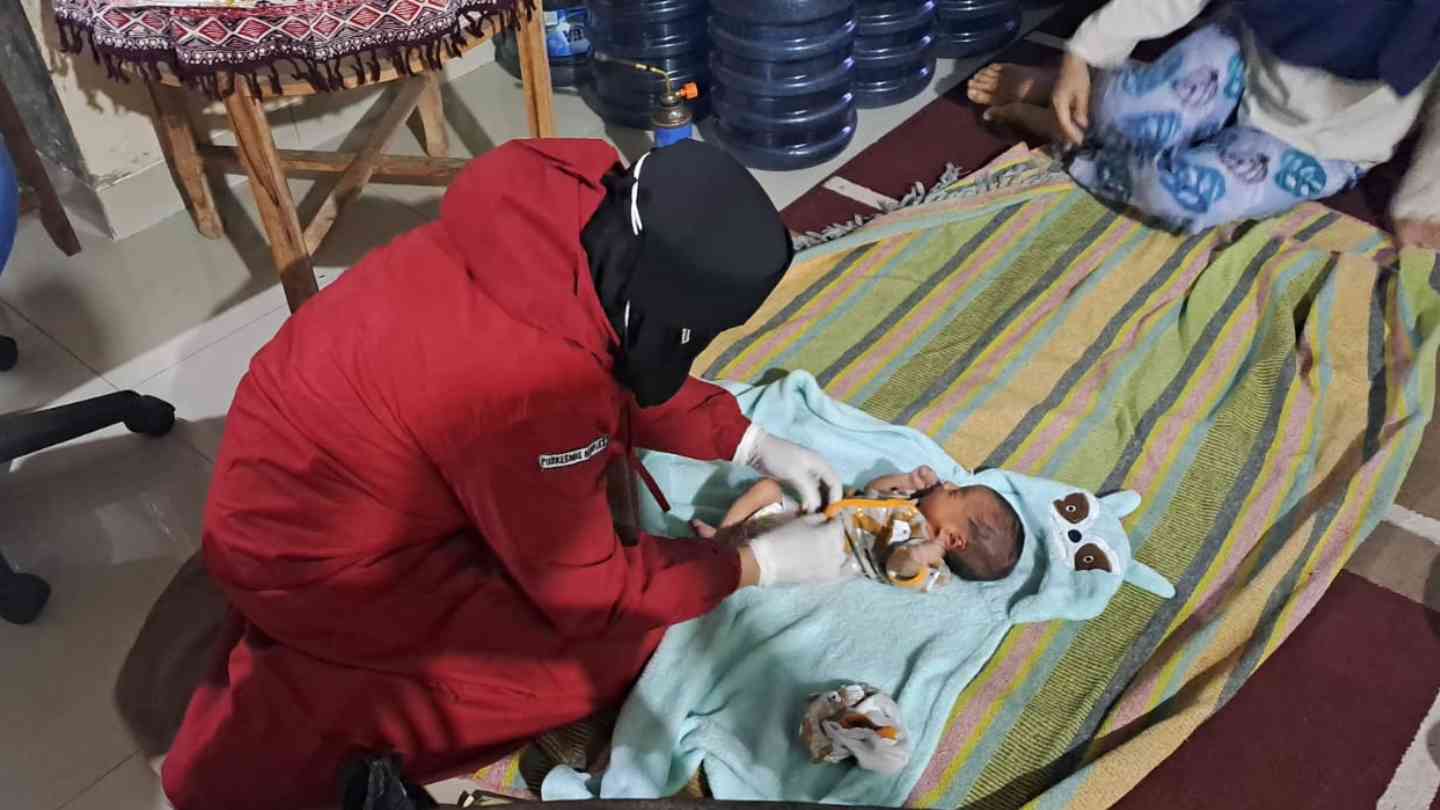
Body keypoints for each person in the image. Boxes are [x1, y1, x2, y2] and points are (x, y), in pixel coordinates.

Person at [160, 138, 858, 810]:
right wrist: (753, 565)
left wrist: (745, 438)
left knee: (604, 553)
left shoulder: (575, 217)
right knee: (611, 652)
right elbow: (587, 594)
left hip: (299, 480)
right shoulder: (527, 396)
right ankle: (278, 722)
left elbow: (611, 354)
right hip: (311, 563)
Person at [966, 0, 1440, 246]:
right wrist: (1084, 52)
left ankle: (1066, 132)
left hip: (1323, 145)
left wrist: (1423, 202)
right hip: (1244, 56)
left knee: (1178, 196)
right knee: (1130, 114)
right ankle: (1071, 90)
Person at [693, 464, 1024, 589]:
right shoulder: (911, 502)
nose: (948, 484)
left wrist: (921, 553)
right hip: (816, 515)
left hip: (833, 551)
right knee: (766, 489)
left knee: (773, 551)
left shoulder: (932, 566)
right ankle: (721, 537)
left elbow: (898, 567)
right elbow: (871, 491)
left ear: (952, 538)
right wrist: (906, 480)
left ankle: (721, 567)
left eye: (955, 494)